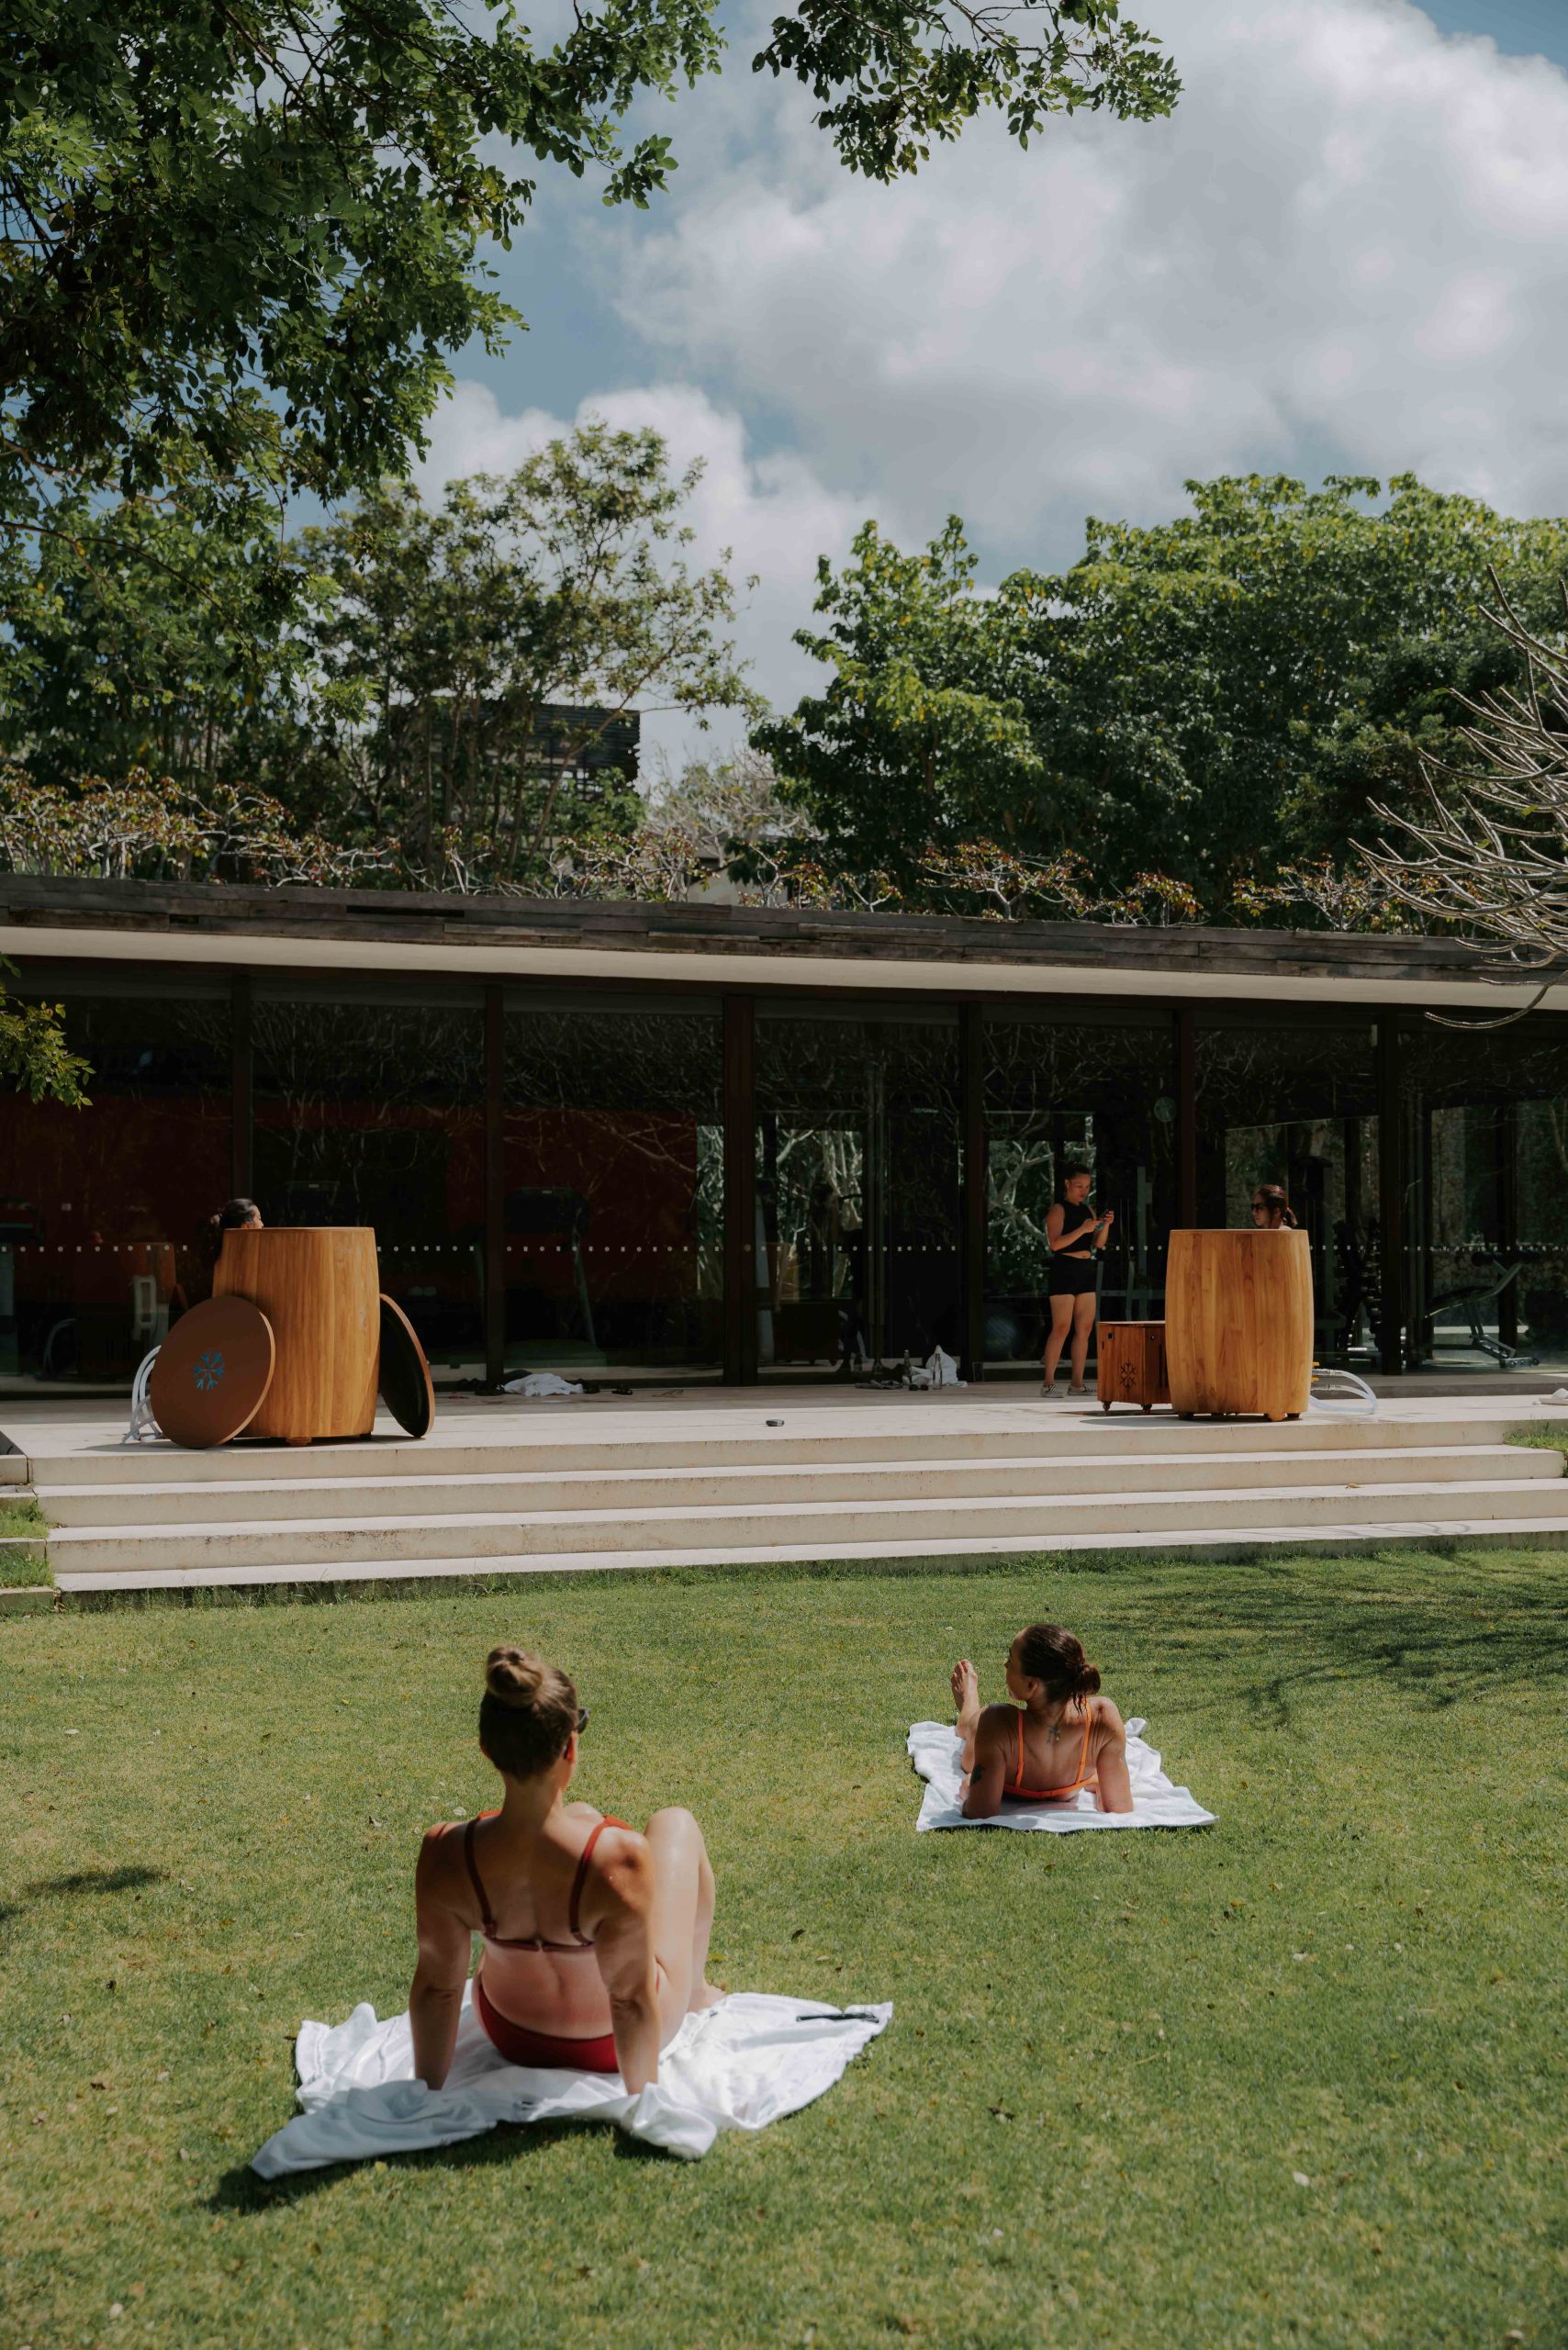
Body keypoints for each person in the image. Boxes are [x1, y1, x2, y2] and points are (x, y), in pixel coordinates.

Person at [409, 1647, 723, 2092]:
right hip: (606, 2042)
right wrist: (641, 2102)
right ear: (571, 1747)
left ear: (486, 1748)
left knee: (581, 1812)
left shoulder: (444, 1851)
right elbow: (632, 2001)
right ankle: (695, 1993)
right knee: (676, 1824)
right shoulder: (620, 1859)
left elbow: (437, 1991)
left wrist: (427, 2093)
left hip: (509, 2032)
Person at [949, 1623, 1133, 1818]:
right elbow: (1119, 1808)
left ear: (1030, 1685)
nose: (1005, 1664)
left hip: (1008, 1780)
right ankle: (1091, 1779)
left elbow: (979, 1811)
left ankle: (969, 1702)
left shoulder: (996, 1723)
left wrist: (970, 1789)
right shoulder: (1103, 1718)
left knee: (972, 1726)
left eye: (1010, 1660)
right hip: (1069, 1786)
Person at [1040, 1166, 1113, 1396]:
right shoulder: (1058, 1210)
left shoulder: (1088, 1210)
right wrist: (1082, 1229)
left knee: (1085, 1328)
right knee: (1061, 1327)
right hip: (1064, 1268)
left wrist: (1105, 1226)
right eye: (1079, 1186)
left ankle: (1077, 1384)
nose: (1083, 1191)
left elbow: (1098, 1244)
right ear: (1067, 1184)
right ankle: (1048, 1383)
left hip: (1085, 1268)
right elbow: (1055, 1244)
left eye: (1087, 1187)